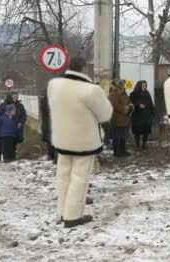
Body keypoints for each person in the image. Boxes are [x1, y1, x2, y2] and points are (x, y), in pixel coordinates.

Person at [48, 56, 113, 228]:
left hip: (61, 138)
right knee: (79, 178)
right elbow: (105, 114)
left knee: (63, 176)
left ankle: (62, 211)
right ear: (84, 68)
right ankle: (72, 215)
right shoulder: (90, 90)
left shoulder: (54, 85)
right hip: (84, 140)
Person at [0, 92, 26, 161]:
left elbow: (23, 116)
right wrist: (2, 121)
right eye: (14, 97)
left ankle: (11, 156)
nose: (16, 98)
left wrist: (21, 122)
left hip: (15, 127)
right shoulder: (3, 105)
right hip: (3, 127)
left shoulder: (20, 106)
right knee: (0, 141)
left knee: (13, 142)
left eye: (17, 97)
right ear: (10, 97)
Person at [109, 80, 134, 157]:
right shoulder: (114, 93)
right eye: (123, 85)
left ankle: (123, 150)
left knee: (123, 135)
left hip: (124, 118)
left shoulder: (124, 93)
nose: (124, 86)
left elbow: (129, 102)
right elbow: (116, 106)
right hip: (117, 118)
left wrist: (131, 106)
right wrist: (126, 108)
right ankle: (117, 152)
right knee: (117, 136)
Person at [130, 80, 155, 151]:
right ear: (139, 86)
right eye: (143, 85)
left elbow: (150, 103)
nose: (144, 87)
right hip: (137, 116)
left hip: (146, 115)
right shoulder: (134, 93)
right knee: (137, 131)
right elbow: (132, 102)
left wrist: (152, 113)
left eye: (145, 85)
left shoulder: (147, 93)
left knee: (146, 130)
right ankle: (137, 145)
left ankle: (144, 144)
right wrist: (138, 105)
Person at [40, 92, 57, 163]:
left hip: (52, 122)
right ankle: (51, 155)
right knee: (50, 140)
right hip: (49, 122)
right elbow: (44, 111)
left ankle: (53, 155)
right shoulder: (46, 100)